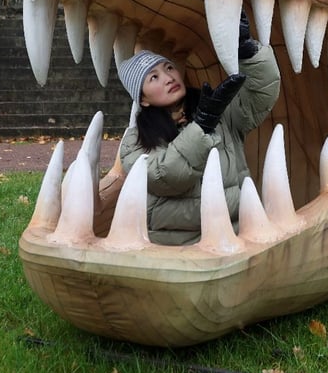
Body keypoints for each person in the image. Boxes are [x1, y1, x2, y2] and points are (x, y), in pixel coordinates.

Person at [117, 13, 281, 245]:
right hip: (177, 249)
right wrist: (201, 126)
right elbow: (166, 177)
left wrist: (247, 51)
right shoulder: (134, 142)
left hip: (236, 237)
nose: (168, 78)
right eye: (154, 77)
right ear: (142, 99)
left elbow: (260, 96)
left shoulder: (220, 114)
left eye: (169, 68)